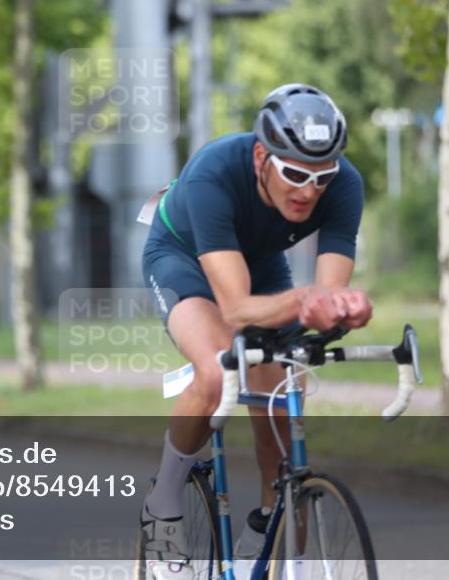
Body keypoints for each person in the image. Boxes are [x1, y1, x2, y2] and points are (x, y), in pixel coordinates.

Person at [139, 84, 374, 579]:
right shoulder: (213, 173)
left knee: (283, 400)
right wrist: (306, 301)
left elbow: (327, 296)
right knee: (216, 370)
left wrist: (343, 310)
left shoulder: (345, 185)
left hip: (261, 267)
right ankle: (163, 502)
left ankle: (269, 522)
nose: (309, 190)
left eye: (322, 177)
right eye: (295, 174)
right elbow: (238, 308)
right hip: (183, 259)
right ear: (262, 157)